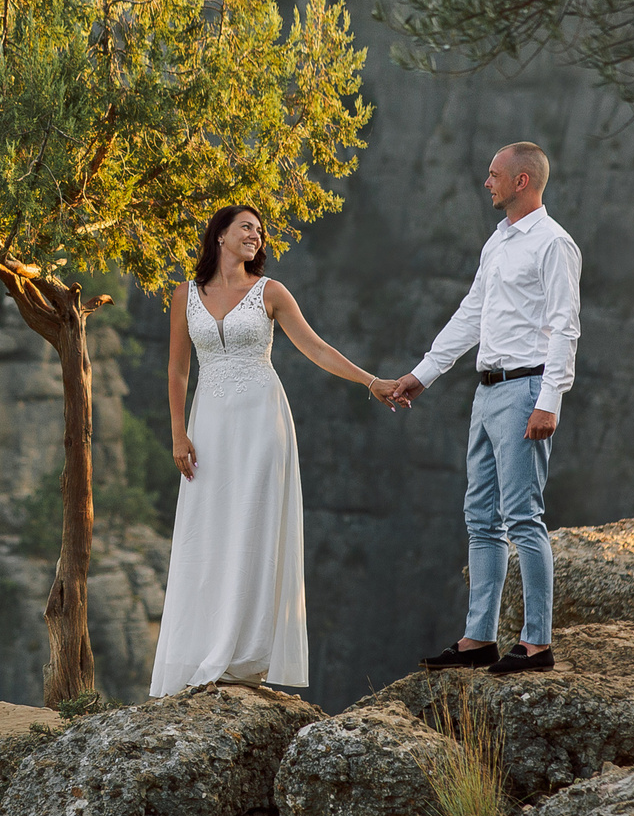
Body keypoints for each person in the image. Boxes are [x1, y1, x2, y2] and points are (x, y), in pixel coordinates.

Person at [150, 205, 403, 695]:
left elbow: (317, 348)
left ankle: (244, 657)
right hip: (209, 426)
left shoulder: (271, 292)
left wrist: (371, 381)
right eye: (246, 227)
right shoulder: (185, 296)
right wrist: (178, 433)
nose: (255, 235)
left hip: (262, 422)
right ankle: (201, 648)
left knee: (253, 525)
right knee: (207, 530)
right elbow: (178, 370)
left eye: (259, 231)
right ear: (220, 235)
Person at [382, 142, 583, 676]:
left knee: (523, 517)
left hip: (525, 391)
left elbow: (565, 326)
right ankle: (479, 640)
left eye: (494, 175)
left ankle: (537, 644)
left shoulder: (553, 243)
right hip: (486, 391)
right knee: (480, 518)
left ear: (522, 181)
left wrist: (550, 401)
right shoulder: (496, 244)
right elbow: (471, 314)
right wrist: (422, 375)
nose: (485, 182)